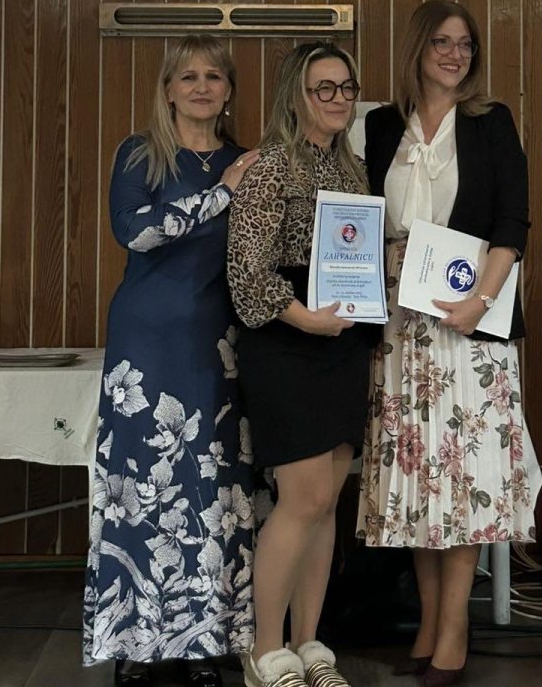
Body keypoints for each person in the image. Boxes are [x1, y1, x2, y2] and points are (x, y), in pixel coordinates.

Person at [357, 0, 542, 687]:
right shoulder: (382, 125)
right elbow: (361, 216)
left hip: (470, 321)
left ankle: (455, 628)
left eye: (465, 44)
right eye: (442, 41)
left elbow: (512, 222)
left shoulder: (491, 122)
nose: (455, 54)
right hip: (400, 327)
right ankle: (431, 622)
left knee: (462, 479)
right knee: (418, 476)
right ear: (418, 47)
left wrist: (481, 302)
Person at [83, 36, 264, 687]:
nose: (201, 86)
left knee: (212, 491)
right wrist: (221, 195)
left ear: (229, 90)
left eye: (214, 76)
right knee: (141, 491)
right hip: (146, 346)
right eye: (188, 76)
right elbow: (136, 231)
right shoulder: (139, 153)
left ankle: (206, 642)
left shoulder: (248, 161)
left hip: (217, 344)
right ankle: (135, 643)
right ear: (167, 90)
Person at [226, 43, 373, 687]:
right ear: (296, 95)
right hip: (287, 340)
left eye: (346, 87)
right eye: (324, 88)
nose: (339, 99)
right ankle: (264, 650)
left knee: (328, 501)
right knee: (302, 498)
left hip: (342, 341)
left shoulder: (355, 171)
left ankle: (310, 645)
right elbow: (246, 273)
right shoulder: (268, 167)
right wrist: (305, 318)